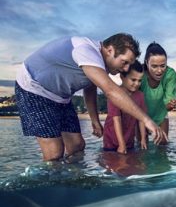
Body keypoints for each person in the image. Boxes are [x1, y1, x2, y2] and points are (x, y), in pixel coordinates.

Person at [15, 33, 165, 161]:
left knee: (77, 146)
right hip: (33, 89)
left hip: (60, 98)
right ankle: (50, 188)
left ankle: (73, 181)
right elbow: (111, 91)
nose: (125, 69)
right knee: (54, 152)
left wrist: (94, 120)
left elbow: (90, 87)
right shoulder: (86, 51)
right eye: (124, 62)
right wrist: (146, 120)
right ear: (110, 50)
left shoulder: (97, 64)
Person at [140, 42, 176, 144]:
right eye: (154, 66)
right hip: (141, 115)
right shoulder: (139, 73)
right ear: (146, 62)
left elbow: (168, 101)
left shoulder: (170, 74)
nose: (159, 71)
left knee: (163, 146)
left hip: (161, 113)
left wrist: (172, 103)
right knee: (141, 147)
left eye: (163, 66)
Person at [103, 60, 147, 154]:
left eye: (140, 80)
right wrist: (121, 144)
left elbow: (141, 119)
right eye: (133, 80)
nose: (137, 84)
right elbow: (116, 120)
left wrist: (143, 139)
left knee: (132, 166)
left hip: (129, 140)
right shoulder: (115, 94)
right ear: (122, 77)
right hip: (111, 140)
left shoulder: (140, 96)